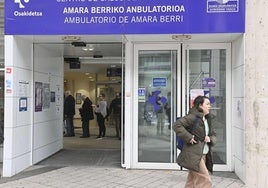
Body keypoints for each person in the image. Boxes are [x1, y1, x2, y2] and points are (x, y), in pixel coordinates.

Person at [173, 95, 216, 188]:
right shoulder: (193, 117)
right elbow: (177, 125)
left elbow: (213, 134)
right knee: (205, 180)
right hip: (193, 153)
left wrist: (210, 138)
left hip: (204, 153)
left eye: (209, 104)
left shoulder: (208, 119)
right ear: (200, 105)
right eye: (207, 104)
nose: (210, 106)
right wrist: (189, 137)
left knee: (192, 181)